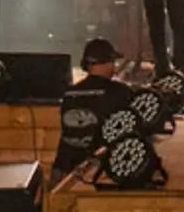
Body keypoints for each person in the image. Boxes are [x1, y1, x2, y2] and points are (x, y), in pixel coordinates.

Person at [55, 38, 134, 175]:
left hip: (64, 170)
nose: (114, 66)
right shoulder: (121, 92)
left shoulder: (69, 93)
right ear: (107, 62)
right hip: (98, 173)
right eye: (113, 61)